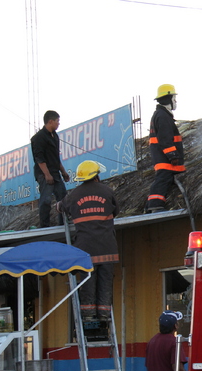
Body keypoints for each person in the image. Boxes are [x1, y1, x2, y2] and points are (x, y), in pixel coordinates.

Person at [56, 160, 119, 320]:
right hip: (108, 250)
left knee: (87, 285)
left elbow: (60, 207)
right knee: (105, 284)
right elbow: (116, 210)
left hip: (85, 252)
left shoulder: (74, 195)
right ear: (96, 175)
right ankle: (104, 316)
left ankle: (88, 316)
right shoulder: (107, 192)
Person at [147, 84, 185, 213]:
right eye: (174, 98)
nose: (175, 102)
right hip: (165, 158)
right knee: (162, 180)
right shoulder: (162, 116)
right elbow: (165, 139)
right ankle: (155, 205)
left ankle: (151, 205)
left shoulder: (160, 115)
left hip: (162, 157)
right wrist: (173, 155)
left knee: (164, 179)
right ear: (168, 99)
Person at [31, 110, 71, 227]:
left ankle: (63, 223)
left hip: (55, 172)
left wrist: (63, 172)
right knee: (46, 200)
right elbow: (39, 159)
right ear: (50, 121)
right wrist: (47, 175)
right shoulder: (38, 138)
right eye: (57, 121)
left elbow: (56, 157)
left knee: (63, 197)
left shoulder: (55, 136)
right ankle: (44, 226)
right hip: (44, 173)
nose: (59, 124)